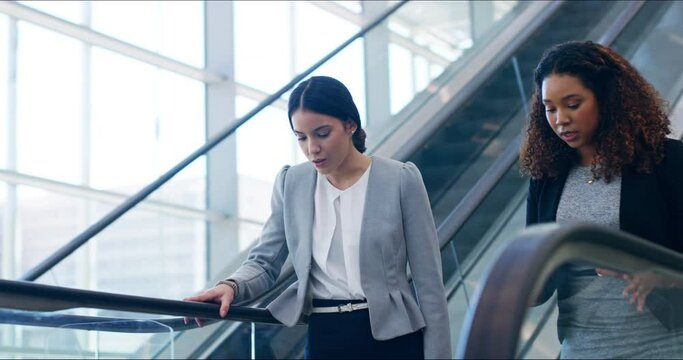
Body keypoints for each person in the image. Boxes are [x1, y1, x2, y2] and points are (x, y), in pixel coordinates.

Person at [185, 76, 451, 359]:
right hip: (325, 336)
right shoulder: (292, 183)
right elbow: (265, 262)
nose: (312, 147)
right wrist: (230, 287)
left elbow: (429, 285)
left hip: (394, 338)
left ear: (350, 125)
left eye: (322, 133)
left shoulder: (400, 179)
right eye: (301, 137)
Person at [520, 40, 683, 358]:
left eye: (573, 104)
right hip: (583, 346)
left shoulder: (667, 161)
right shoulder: (547, 176)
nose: (560, 119)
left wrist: (663, 273)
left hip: (664, 343)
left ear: (607, 99)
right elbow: (538, 277)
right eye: (549, 108)